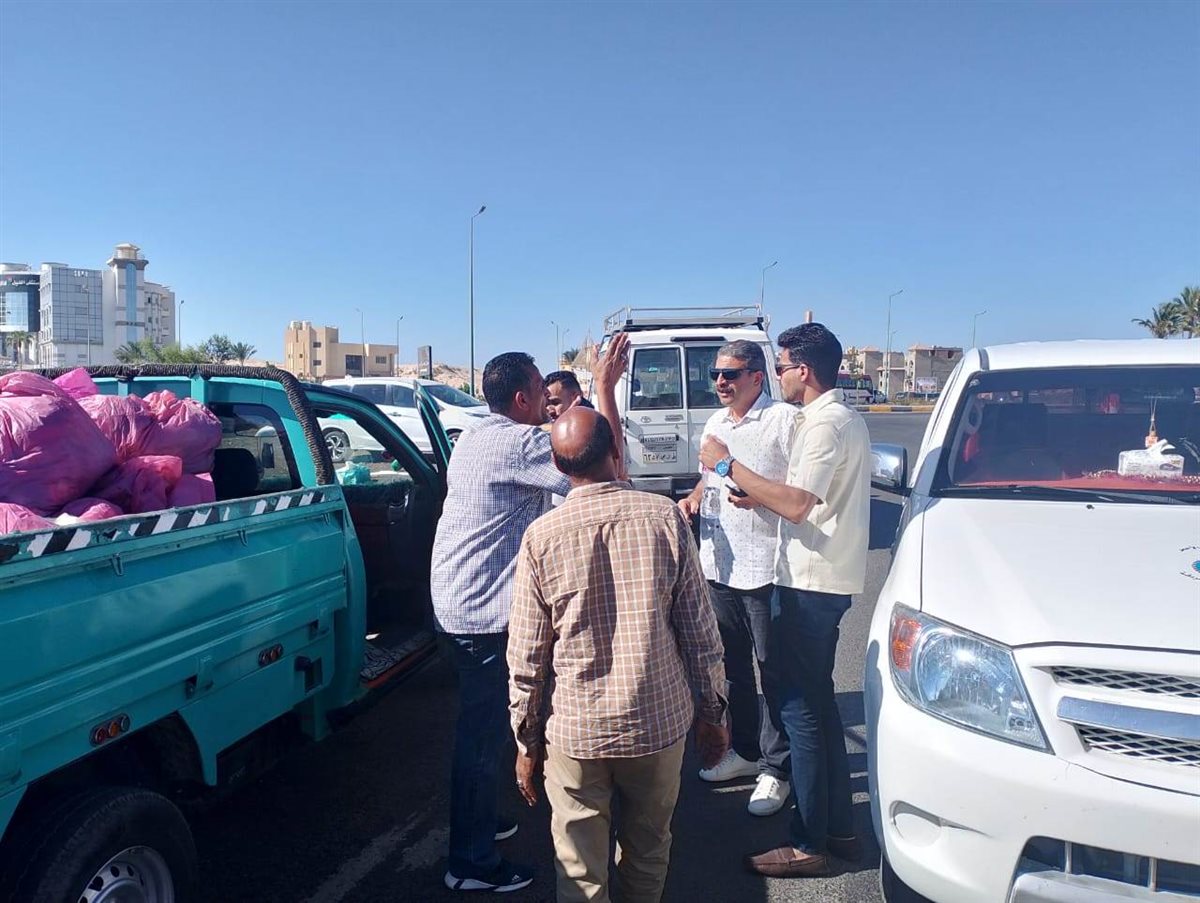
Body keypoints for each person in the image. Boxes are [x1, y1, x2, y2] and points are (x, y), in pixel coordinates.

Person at [508, 406, 730, 903]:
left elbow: (526, 658)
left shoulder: (541, 537)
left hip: (577, 732)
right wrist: (714, 713)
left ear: (558, 466)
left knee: (579, 872)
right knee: (647, 852)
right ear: (616, 450)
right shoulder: (664, 518)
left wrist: (526, 742)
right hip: (656, 724)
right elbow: (700, 633)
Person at [432, 335, 629, 893]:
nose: (550, 397)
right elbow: (607, 466)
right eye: (543, 389)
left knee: (485, 731)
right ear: (522, 399)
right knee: (483, 738)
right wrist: (604, 388)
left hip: (457, 603)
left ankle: (478, 821)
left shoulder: (477, 434)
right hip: (483, 614)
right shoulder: (520, 445)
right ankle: (470, 864)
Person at [700, 323, 870, 879]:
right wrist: (756, 496)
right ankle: (839, 829)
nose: (778, 377)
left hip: (810, 585)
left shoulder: (823, 423)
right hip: (815, 579)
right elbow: (802, 501)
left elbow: (797, 504)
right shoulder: (836, 420)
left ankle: (808, 842)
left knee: (799, 712)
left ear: (804, 369)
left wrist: (725, 464)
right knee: (817, 709)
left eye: (780, 367)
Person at [678, 340, 797, 816]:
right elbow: (709, 478)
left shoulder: (783, 421)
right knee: (732, 670)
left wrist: (756, 494)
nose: (721, 382)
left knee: (774, 672)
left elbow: (798, 493)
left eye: (730, 374)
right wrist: (694, 497)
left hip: (765, 566)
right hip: (719, 565)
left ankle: (777, 768)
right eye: (716, 374)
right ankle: (746, 752)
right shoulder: (715, 423)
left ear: (756, 377)